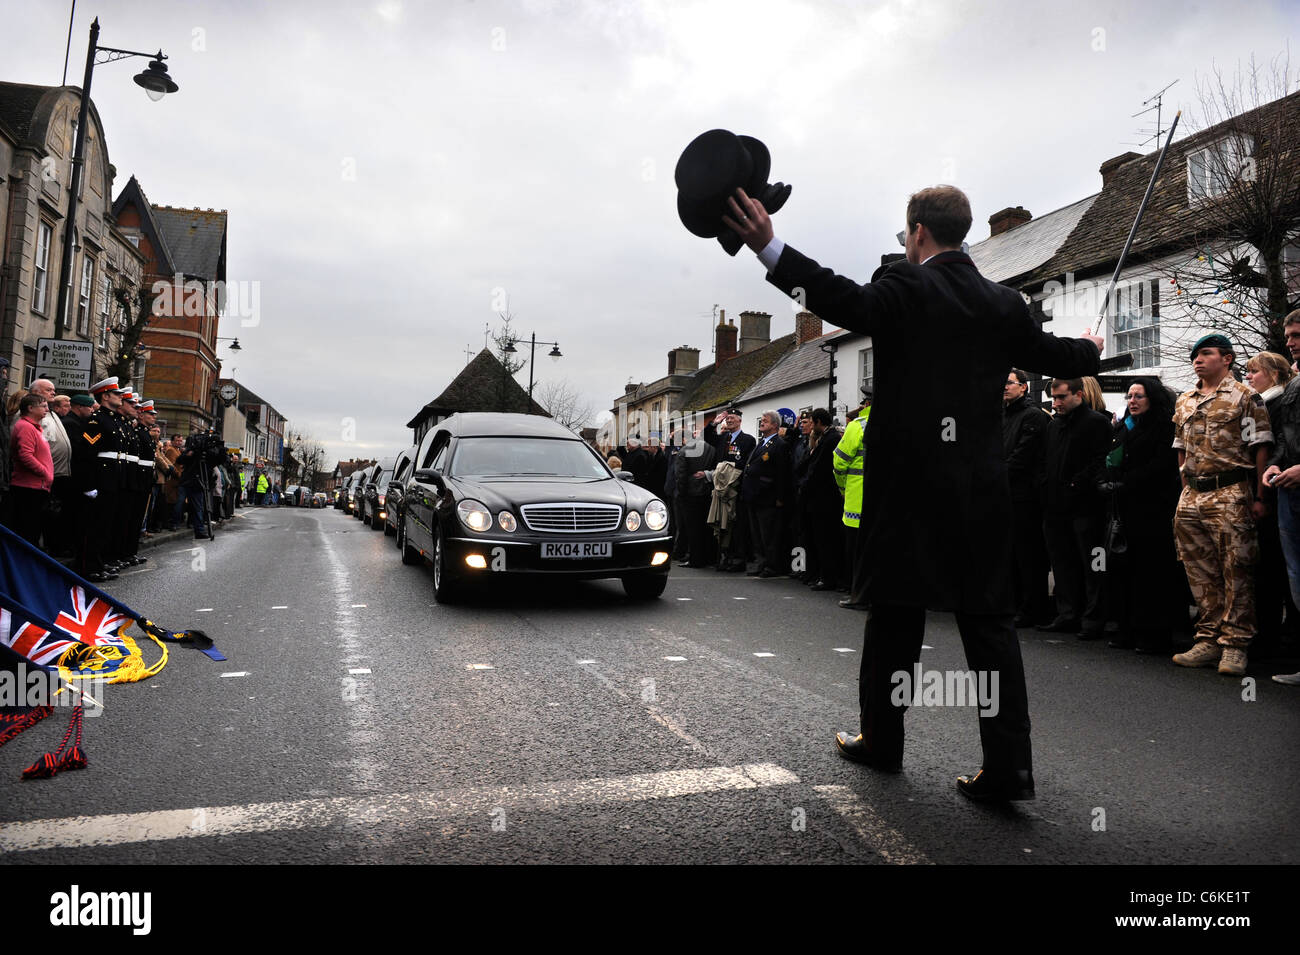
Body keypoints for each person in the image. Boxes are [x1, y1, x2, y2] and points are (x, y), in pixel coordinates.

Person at [723, 183, 1102, 801]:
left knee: (895, 617)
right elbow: (1055, 354)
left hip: (908, 492)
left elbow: (837, 296)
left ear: (918, 232)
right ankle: (1010, 768)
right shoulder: (1004, 303)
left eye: (906, 235)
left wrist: (770, 246)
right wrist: (1092, 349)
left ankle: (883, 740)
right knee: (990, 627)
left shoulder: (905, 285)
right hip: (981, 492)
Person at [1171, 333, 1272, 677]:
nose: (1198, 360)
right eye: (1195, 355)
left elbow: (1260, 446)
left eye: (1206, 353)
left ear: (1226, 359)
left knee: (1237, 570)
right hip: (1193, 495)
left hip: (1230, 491)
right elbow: (1180, 447)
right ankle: (1208, 638)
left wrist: (1260, 496)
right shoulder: (1185, 399)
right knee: (1199, 571)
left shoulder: (1246, 397)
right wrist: (1185, 487)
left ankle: (1235, 645)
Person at [1098, 377, 1184, 654]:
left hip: (1153, 509)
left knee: (1152, 574)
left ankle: (1154, 633)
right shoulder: (1123, 426)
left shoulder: (1164, 426)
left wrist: (1128, 482)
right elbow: (1111, 458)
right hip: (1125, 508)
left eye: (1139, 396)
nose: (1132, 401)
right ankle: (1127, 628)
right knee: (1125, 572)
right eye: (1130, 396)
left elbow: (1161, 465)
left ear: (1152, 399)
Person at [1039, 377, 1113, 637]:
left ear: (1079, 394)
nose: (1056, 403)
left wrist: (1077, 484)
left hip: (1085, 505)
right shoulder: (1054, 426)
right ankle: (1068, 614)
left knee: (1091, 564)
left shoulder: (1096, 423)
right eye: (1054, 398)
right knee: (1063, 563)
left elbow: (1101, 460)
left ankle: (1093, 619)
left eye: (1061, 397)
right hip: (1055, 504)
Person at [1244, 351, 1299, 660]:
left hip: (1278, 494)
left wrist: (1262, 494)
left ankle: (1278, 641)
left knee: (1276, 569)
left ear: (1275, 375)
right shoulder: (1262, 403)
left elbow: (1277, 445)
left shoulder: (1275, 405)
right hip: (1272, 489)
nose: (1249, 377)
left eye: (1255, 372)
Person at [1262, 311, 1300, 685]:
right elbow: (1284, 440)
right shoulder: (1293, 388)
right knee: (1296, 579)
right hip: (1289, 495)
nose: (1290, 342)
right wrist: (1273, 465)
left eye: (1297, 335)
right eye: (1288, 336)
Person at [1003, 368, 1052, 627]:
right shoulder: (1002, 415)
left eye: (1009, 383)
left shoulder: (1032, 415)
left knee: (1028, 555)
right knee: (1010, 554)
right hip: (1006, 494)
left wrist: (996, 473)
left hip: (1026, 497)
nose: (1004, 387)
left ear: (1024, 387)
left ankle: (1033, 607)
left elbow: (1022, 456)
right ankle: (1015, 603)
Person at [742, 410, 791, 577]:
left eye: (765, 421)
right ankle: (761, 562)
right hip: (754, 496)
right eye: (761, 420)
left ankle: (772, 565)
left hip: (767, 497)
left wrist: (780, 497)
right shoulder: (762, 443)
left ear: (774, 425)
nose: (761, 423)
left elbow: (782, 474)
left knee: (768, 534)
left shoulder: (779, 444)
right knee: (757, 534)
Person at [7, 393, 54, 546]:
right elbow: (25, 456)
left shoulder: (34, 427)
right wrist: (44, 472)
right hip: (28, 487)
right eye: (43, 406)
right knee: (27, 531)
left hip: (37, 486)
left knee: (33, 530)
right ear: (30, 408)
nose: (46, 409)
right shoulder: (25, 427)